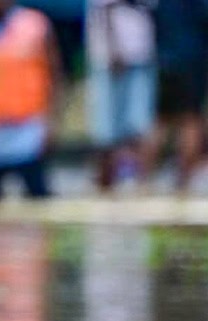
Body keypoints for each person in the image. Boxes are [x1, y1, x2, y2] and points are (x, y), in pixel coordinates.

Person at [0, 0, 63, 201]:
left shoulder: (34, 24)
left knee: (38, 197)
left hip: (26, 129)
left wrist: (52, 121)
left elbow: (54, 75)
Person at [84, 0, 156, 190]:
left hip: (141, 55)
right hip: (111, 60)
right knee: (106, 130)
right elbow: (105, 8)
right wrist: (114, 49)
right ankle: (104, 185)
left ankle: (140, 184)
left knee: (138, 126)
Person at [143, 0, 208, 191]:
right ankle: (183, 182)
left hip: (165, 60)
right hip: (192, 60)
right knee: (190, 120)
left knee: (160, 121)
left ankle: (145, 180)